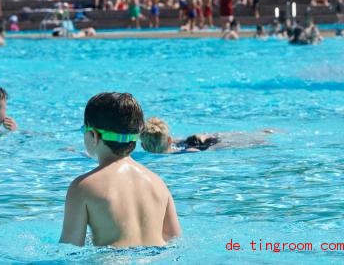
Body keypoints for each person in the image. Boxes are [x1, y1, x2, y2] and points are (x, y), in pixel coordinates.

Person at [59, 93, 181, 247]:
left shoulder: (83, 187)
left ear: (94, 135)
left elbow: (69, 247)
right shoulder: (158, 183)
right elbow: (173, 237)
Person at [140, 117, 273, 154]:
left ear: (142, 145)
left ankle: (260, 135)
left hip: (197, 144)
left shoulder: (188, 150)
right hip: (193, 143)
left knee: (226, 142)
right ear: (169, 140)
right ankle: (261, 134)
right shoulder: (173, 143)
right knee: (224, 138)